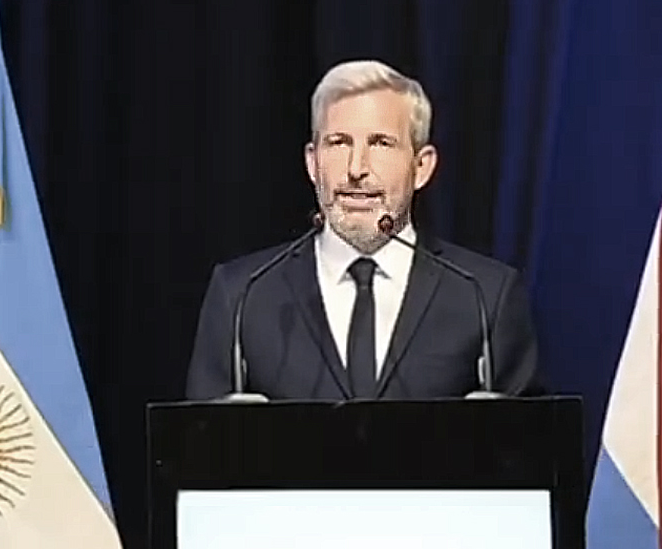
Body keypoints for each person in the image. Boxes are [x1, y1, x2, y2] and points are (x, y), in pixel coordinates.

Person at [184, 59, 541, 401]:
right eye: (339, 142)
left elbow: (527, 440)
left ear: (421, 167)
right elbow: (200, 439)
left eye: (380, 143)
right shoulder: (243, 295)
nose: (356, 168)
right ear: (313, 163)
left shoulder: (484, 295)